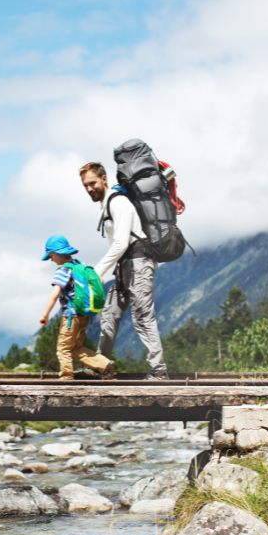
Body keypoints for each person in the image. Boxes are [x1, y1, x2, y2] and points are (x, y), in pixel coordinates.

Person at [79, 162, 170, 380]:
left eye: (92, 183)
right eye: (85, 186)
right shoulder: (108, 204)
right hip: (124, 266)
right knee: (109, 315)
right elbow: (119, 247)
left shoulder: (118, 202)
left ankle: (158, 372)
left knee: (142, 317)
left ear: (104, 179)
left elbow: (120, 243)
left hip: (138, 264)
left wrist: (97, 272)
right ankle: (100, 366)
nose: (90, 188)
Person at [39, 234, 115, 381]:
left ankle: (66, 379)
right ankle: (104, 365)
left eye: (50, 255)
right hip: (84, 315)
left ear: (56, 253)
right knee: (75, 347)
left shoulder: (63, 271)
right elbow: (100, 280)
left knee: (63, 348)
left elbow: (55, 294)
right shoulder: (81, 266)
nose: (51, 259)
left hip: (71, 317)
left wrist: (45, 315)